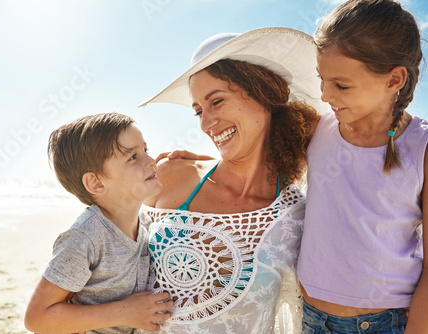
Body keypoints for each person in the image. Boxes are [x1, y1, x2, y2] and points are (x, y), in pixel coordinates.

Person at [137, 28, 325, 333]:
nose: (206, 123)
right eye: (198, 110)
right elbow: (106, 253)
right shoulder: (173, 175)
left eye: (217, 101)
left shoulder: (296, 215)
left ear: (265, 93)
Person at [297, 0, 428, 333]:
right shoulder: (317, 131)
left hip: (387, 323)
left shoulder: (422, 146)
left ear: (394, 80)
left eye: (341, 85)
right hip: (310, 319)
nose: (325, 94)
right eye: (322, 80)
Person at [24, 113, 173, 334]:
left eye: (145, 150)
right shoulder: (85, 238)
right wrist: (124, 312)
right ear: (95, 182)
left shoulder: (147, 224)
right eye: (132, 157)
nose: (151, 161)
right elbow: (36, 318)